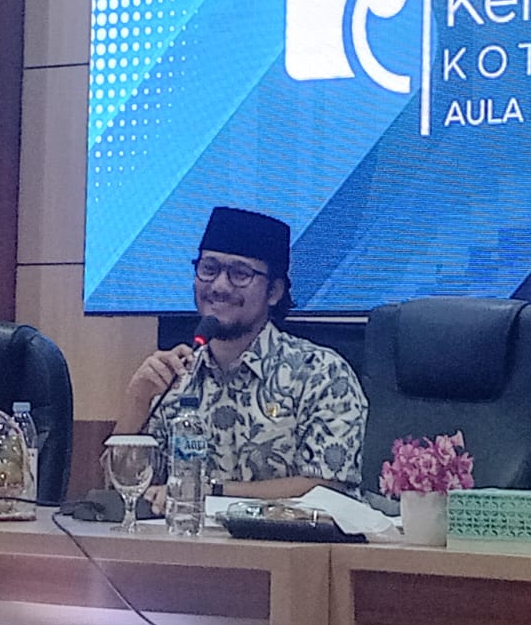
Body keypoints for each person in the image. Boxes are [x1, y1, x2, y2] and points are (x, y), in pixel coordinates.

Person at [115, 207, 366, 502]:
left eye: (240, 274)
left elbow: (327, 487)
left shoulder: (321, 373)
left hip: (289, 534)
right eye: (209, 268)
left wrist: (210, 492)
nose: (219, 286)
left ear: (274, 291)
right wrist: (137, 399)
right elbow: (123, 488)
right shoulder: (176, 377)